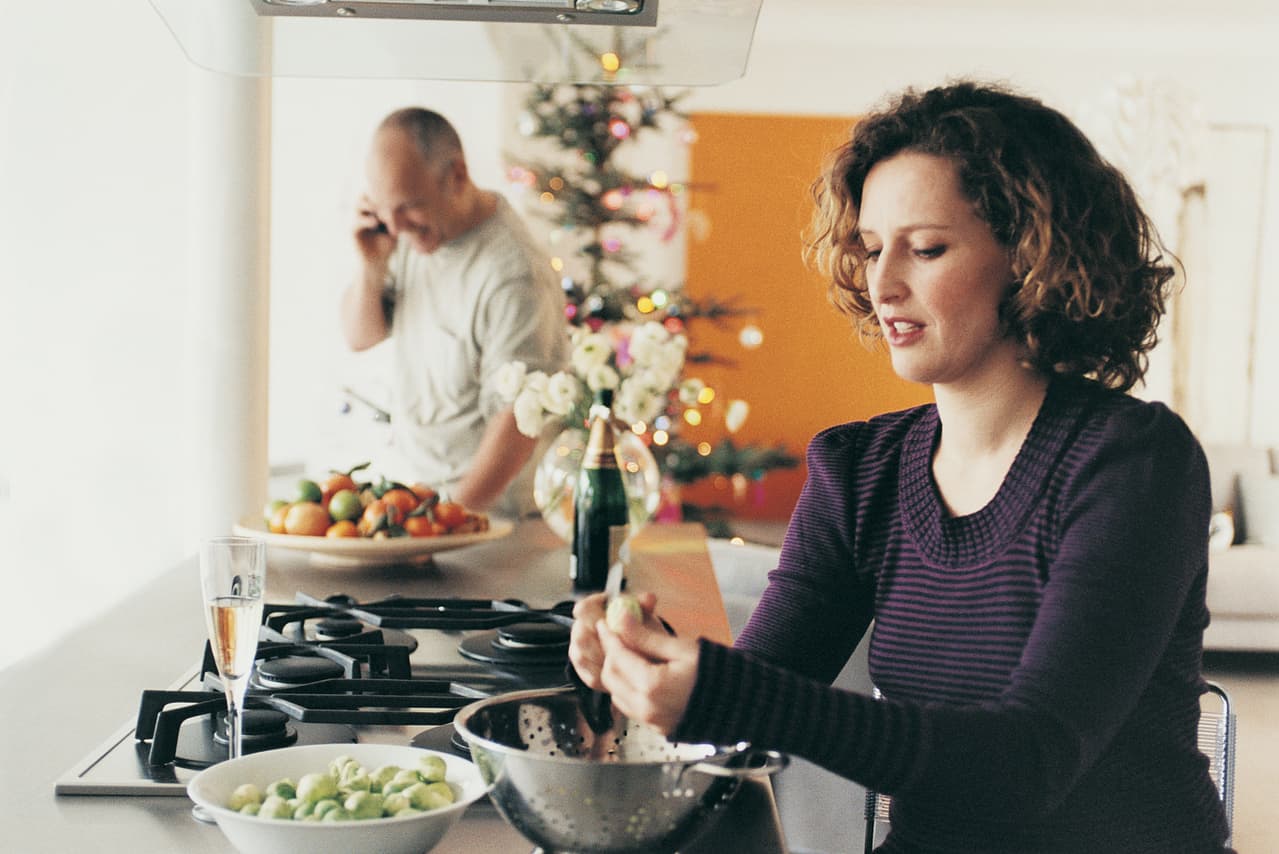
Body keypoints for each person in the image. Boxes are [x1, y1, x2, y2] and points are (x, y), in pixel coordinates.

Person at [569, 82, 1233, 853]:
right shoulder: (861, 471)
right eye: (870, 247)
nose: (882, 285)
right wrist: (649, 662)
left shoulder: (1133, 464)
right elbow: (754, 698)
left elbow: (1028, 763)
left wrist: (726, 693)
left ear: (1032, 259)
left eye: (925, 249)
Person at [343, 107, 568, 516]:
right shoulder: (408, 238)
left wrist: (447, 523)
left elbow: (516, 423)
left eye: (409, 206)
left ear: (457, 176)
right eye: (383, 209)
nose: (394, 228)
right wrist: (371, 268)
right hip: (424, 504)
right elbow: (360, 337)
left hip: (493, 522)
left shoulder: (513, 274)